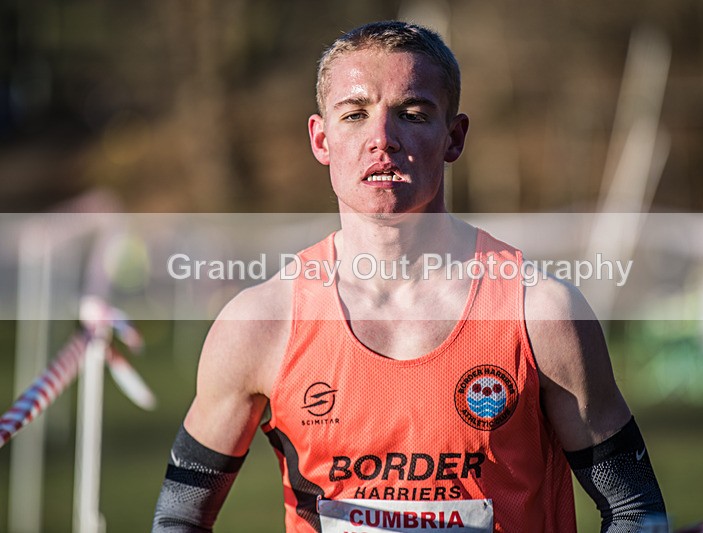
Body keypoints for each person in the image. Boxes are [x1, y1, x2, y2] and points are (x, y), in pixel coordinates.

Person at [152, 20, 668, 533]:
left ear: (454, 137)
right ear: (321, 139)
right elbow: (178, 518)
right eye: (354, 114)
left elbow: (635, 512)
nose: (383, 139)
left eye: (412, 113)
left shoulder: (542, 313)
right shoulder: (261, 323)